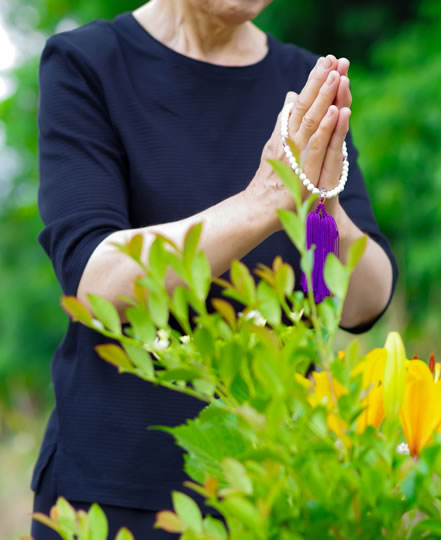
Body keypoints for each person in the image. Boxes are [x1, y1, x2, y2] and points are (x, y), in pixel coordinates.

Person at [30, 0, 398, 537]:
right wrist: (261, 204)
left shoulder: (302, 80)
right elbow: (95, 279)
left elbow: (355, 301)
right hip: (115, 496)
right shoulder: (88, 62)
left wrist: (321, 207)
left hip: (276, 489)